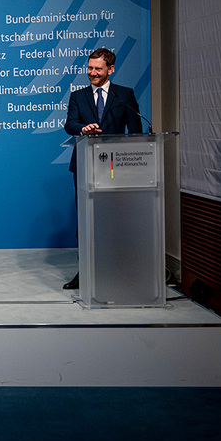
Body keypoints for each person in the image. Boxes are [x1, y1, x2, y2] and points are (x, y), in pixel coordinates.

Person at [62, 47, 143, 289]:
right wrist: (83, 129)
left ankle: (118, 269)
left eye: (98, 69)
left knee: (115, 219)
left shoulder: (124, 95)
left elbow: (136, 130)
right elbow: (70, 124)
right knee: (86, 219)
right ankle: (84, 270)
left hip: (116, 167)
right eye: (90, 68)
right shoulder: (78, 96)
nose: (92, 73)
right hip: (85, 165)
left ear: (110, 69)